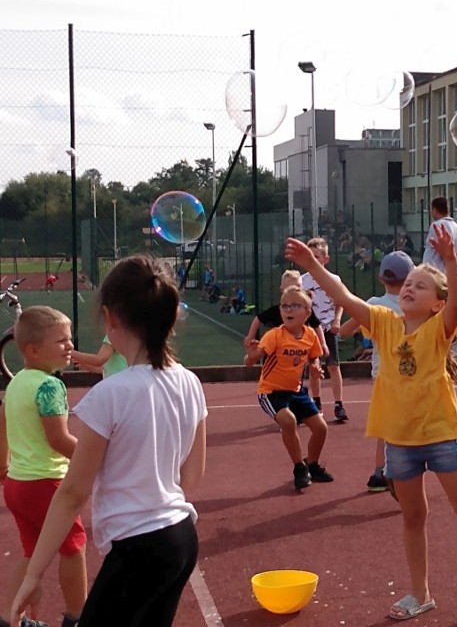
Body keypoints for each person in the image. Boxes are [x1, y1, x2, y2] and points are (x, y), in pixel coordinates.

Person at [284, 226, 457, 621]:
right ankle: (420, 592)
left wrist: (449, 260)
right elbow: (343, 296)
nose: (410, 289)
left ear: (436, 304)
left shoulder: (437, 330)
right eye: (408, 284)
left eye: (421, 286)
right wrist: (312, 263)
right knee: (413, 517)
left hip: (441, 435)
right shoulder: (383, 322)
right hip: (400, 442)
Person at [12, 255, 208, 627]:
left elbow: (72, 492)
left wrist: (33, 575)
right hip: (181, 538)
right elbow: (192, 476)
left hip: (139, 548)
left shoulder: (109, 394)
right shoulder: (190, 382)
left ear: (110, 317)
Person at [2, 307, 85, 627]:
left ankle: (9, 617)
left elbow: (2, 423)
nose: (69, 346)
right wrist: (100, 457)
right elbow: (59, 440)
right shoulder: (51, 387)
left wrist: (2, 467)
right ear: (33, 350)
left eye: (69, 339)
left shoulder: (18, 382)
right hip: (46, 484)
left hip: (18, 484)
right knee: (73, 547)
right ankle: (78, 617)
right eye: (61, 341)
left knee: (32, 553)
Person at [338, 250, 415, 495]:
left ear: (382, 278)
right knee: (407, 425)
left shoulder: (374, 305)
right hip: (413, 374)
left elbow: (345, 330)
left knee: (387, 424)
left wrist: (333, 326)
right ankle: (396, 471)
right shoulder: (417, 304)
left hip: (383, 375)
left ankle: (380, 471)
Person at [244, 286, 334, 491]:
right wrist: (251, 354)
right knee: (288, 420)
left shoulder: (310, 335)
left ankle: (312, 464)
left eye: (294, 305)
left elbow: (313, 358)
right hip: (271, 392)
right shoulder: (274, 335)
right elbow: (251, 361)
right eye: (284, 306)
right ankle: (299, 468)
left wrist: (315, 368)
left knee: (321, 428)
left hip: (296, 391)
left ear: (307, 312)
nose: (288, 310)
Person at [300, 237, 348, 423]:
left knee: (333, 366)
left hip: (328, 328)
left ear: (325, 259)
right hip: (310, 330)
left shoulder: (333, 279)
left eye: (317, 256)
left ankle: (339, 404)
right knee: (314, 367)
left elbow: (341, 302)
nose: (314, 260)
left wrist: (336, 320)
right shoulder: (302, 281)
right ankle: (316, 403)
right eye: (310, 256)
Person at [244, 270, 328, 360]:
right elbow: (259, 318)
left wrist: (323, 343)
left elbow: (316, 325)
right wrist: (251, 336)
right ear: (282, 289)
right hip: (277, 355)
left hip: (298, 352)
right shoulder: (274, 327)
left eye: (297, 288)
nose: (292, 292)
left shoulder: (305, 310)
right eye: (289, 288)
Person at [421, 197, 457, 273]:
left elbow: (442, 251)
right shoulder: (456, 227)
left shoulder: (436, 225)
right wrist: (452, 265)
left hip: (432, 273)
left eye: (431, 209)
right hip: (447, 274)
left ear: (435, 210)